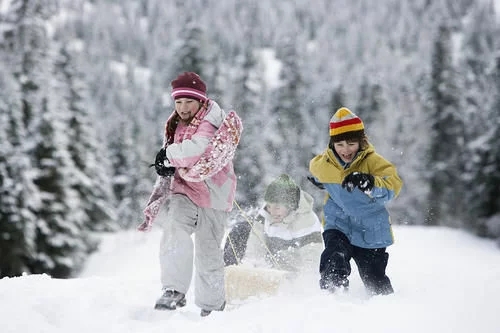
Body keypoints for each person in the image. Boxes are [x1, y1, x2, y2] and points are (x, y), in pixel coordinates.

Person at [137, 72, 242, 317]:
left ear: (201, 102)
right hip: (184, 190)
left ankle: (212, 305)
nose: (183, 108)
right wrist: (167, 161)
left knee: (208, 251)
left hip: (214, 195)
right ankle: (174, 289)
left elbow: (199, 149)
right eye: (178, 102)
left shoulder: (210, 120)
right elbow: (178, 153)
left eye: (188, 102)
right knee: (174, 229)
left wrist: (168, 155)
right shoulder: (177, 123)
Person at [309, 107, 403, 296]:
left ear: (361, 141)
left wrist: (370, 183)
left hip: (370, 230)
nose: (346, 150)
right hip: (338, 224)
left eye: (351, 143)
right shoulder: (323, 164)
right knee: (334, 258)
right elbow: (315, 170)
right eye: (340, 144)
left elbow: (393, 186)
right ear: (332, 144)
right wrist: (321, 182)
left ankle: (386, 306)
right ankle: (332, 297)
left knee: (374, 280)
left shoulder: (373, 161)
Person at [223, 174, 323, 272]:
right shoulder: (266, 213)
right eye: (269, 206)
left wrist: (303, 282)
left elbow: (312, 260)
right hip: (270, 266)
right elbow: (255, 244)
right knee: (241, 229)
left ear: (290, 206)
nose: (272, 212)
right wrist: (252, 267)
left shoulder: (306, 222)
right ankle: (228, 271)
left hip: (293, 271)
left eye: (277, 207)